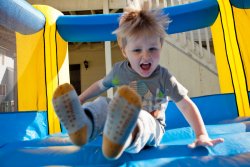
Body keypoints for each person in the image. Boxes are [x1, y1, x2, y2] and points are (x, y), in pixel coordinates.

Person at [52, 1, 224, 160]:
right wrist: (80, 99)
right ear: (124, 51)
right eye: (137, 50)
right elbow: (100, 85)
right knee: (104, 104)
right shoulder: (120, 71)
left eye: (152, 49)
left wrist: (201, 133)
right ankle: (84, 125)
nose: (146, 55)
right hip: (118, 116)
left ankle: (120, 140)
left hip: (152, 126)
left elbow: (185, 105)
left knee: (142, 118)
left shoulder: (164, 77)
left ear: (160, 47)